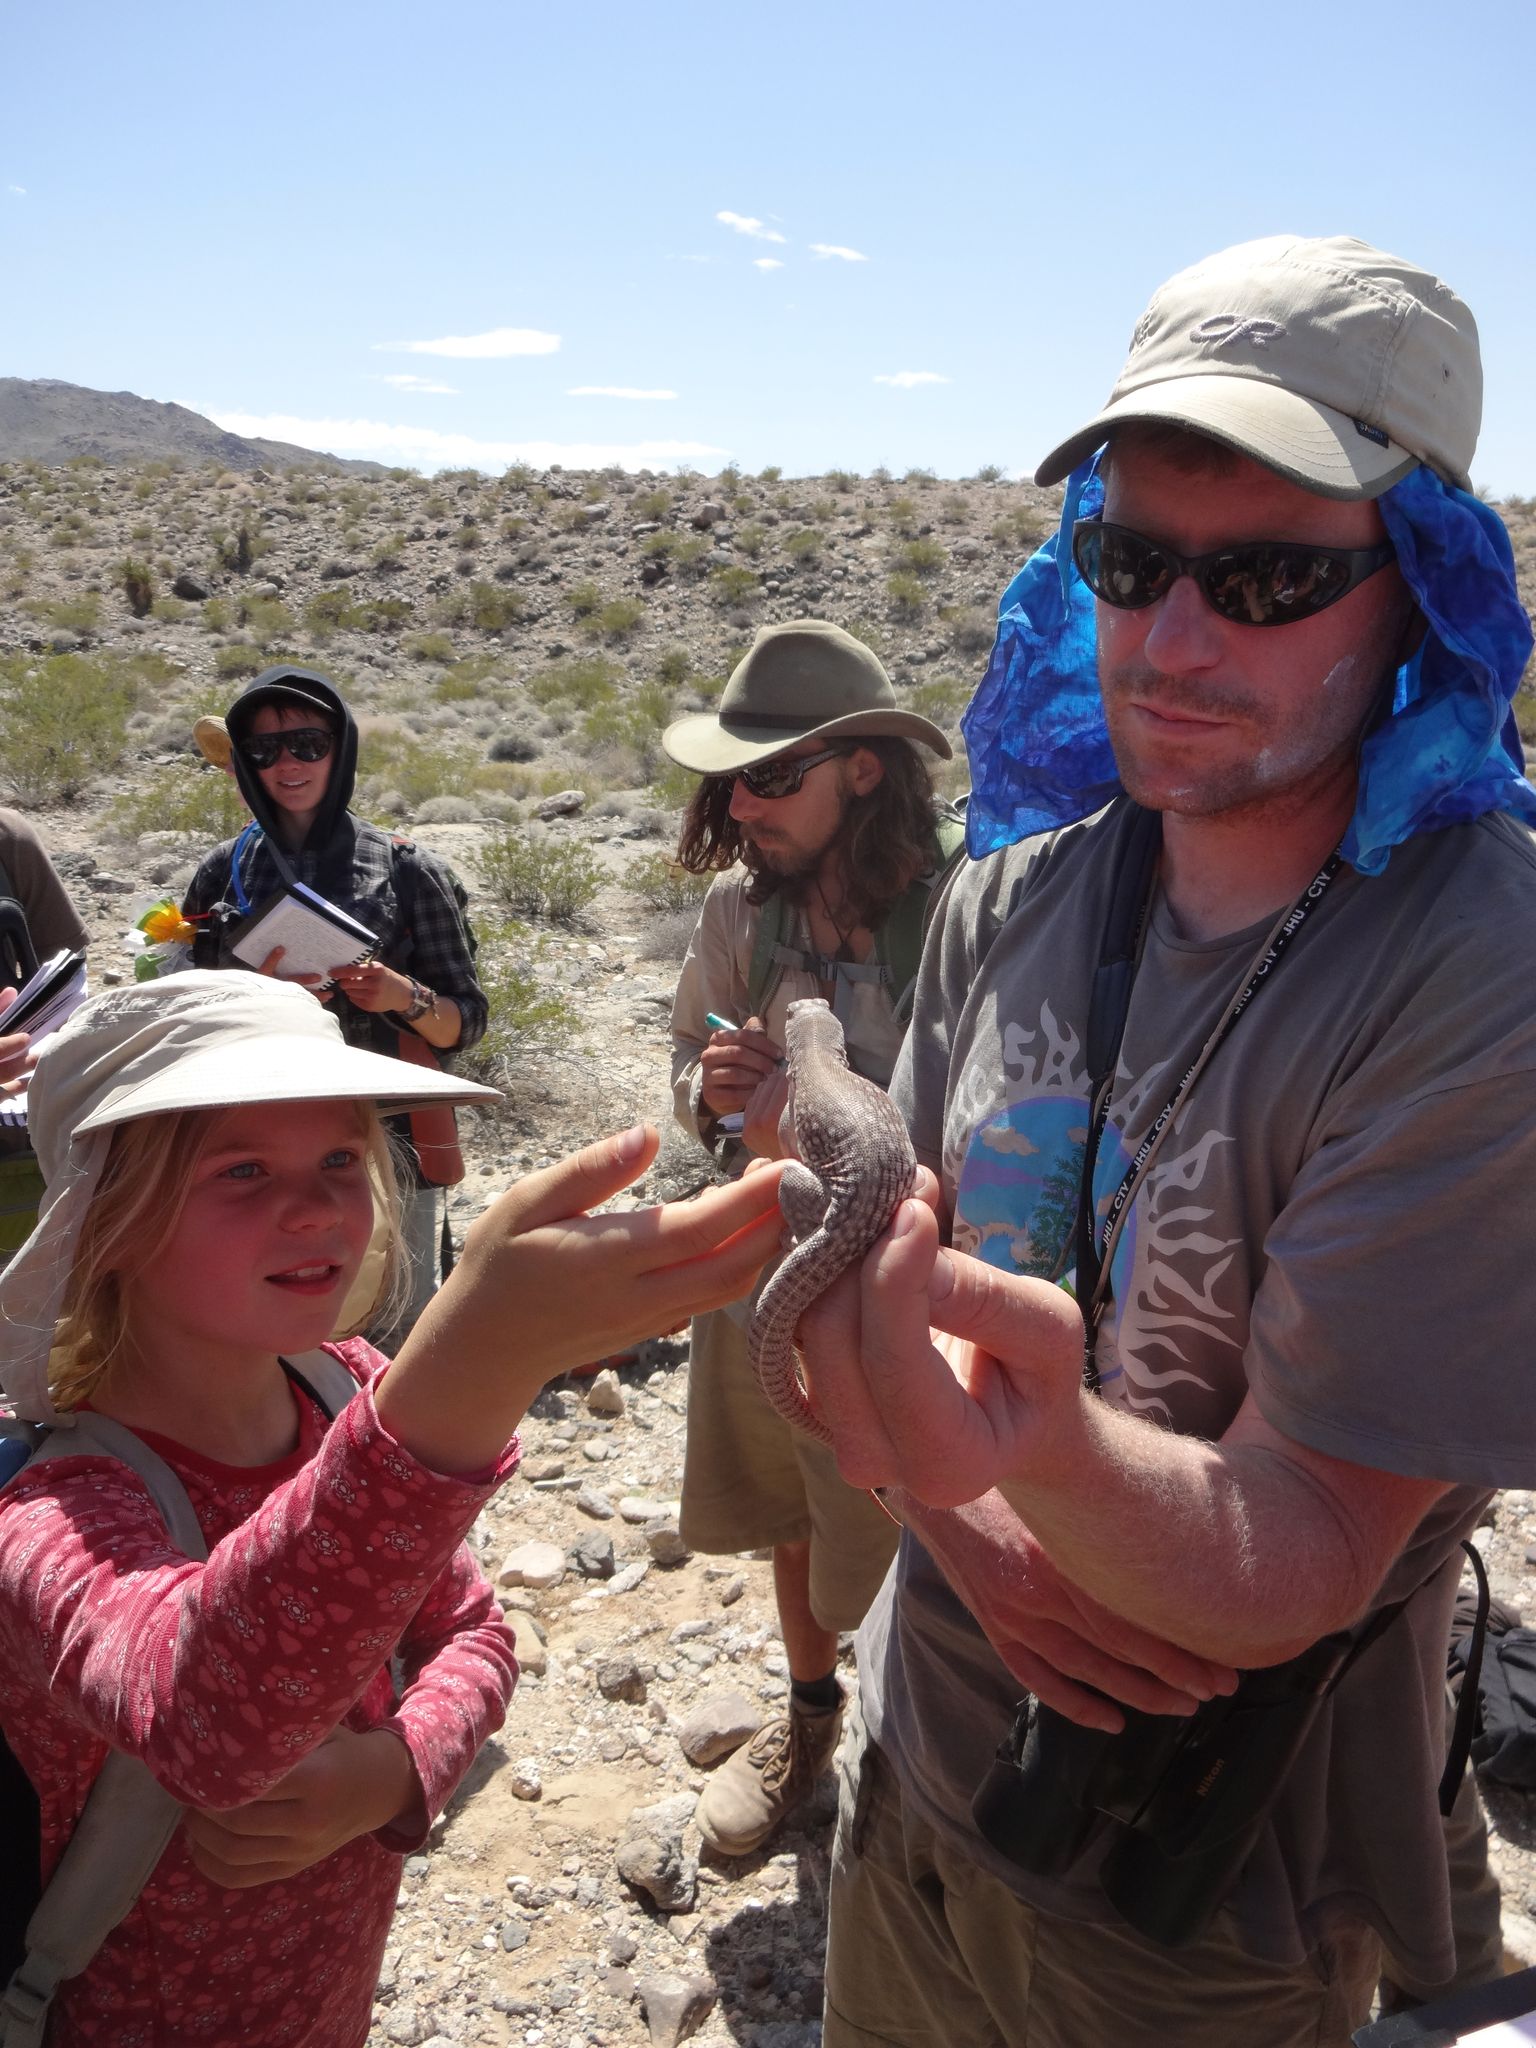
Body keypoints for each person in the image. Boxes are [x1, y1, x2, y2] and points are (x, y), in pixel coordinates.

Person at [795, 236, 1536, 2046]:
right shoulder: (1015, 896)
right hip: (916, 1754)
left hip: (1192, 1889)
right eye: (1131, 563)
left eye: (1272, 574)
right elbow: (832, 1323)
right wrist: (963, 1520)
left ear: (1417, 592)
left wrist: (1009, 1438)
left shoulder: (1478, 975)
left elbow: (1294, 1554)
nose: (1176, 640)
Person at [0, 971, 784, 2046]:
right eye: (241, 1168)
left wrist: (395, 1767)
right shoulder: (57, 1508)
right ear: (113, 1219)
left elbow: (474, 1629)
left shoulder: (344, 1389)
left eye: (338, 1157)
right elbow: (202, 1719)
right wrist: (471, 1361)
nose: (318, 1204)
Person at [663, 619, 958, 1855]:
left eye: (774, 773)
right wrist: (716, 1093)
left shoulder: (962, 912)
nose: (743, 800)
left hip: (915, 1299)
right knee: (791, 1501)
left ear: (866, 771)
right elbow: (683, 1057)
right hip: (760, 1269)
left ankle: (931, 1768)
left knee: (926, 1532)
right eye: (734, 774)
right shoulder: (741, 910)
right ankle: (810, 1718)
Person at [182, 666, 486, 1345]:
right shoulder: (222, 872)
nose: (287, 763)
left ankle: (397, 1450)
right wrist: (259, 999)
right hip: (254, 1135)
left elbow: (463, 1019)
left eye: (308, 743)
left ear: (339, 747)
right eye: (264, 750)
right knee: (273, 1311)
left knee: (396, 1320)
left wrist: (398, 995)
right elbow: (183, 1004)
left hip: (389, 1135)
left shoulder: (409, 871)